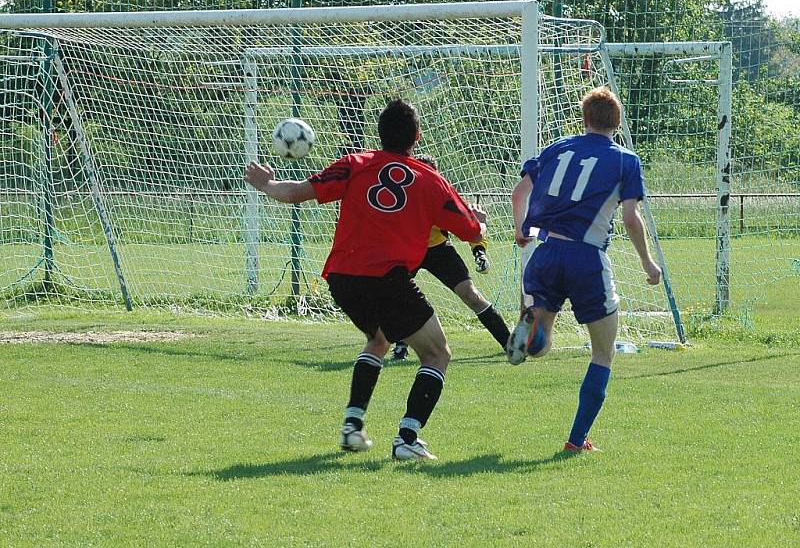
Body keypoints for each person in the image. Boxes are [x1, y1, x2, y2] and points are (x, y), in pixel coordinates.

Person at [244, 98, 486, 461]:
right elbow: (469, 230)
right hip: (386, 277)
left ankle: (352, 426)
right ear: (417, 137)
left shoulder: (355, 163)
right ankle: (407, 438)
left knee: (378, 340)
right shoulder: (430, 179)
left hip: (342, 277)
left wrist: (267, 184)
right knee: (437, 354)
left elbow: (295, 194)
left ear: (379, 134)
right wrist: (480, 221)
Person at [507, 86, 661, 453]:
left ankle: (531, 335)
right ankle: (576, 440)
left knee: (542, 344)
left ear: (584, 119)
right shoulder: (625, 160)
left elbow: (518, 193)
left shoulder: (557, 147)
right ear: (617, 123)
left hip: (544, 252)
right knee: (602, 353)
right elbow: (630, 217)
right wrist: (647, 261)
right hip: (587, 257)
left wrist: (520, 229)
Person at [391, 154, 509, 361]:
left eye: (428, 174)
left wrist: (479, 252)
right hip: (409, 250)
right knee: (399, 297)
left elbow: (469, 227)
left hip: (438, 250)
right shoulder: (401, 198)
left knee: (470, 294)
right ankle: (401, 344)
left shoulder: (444, 197)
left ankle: (509, 343)